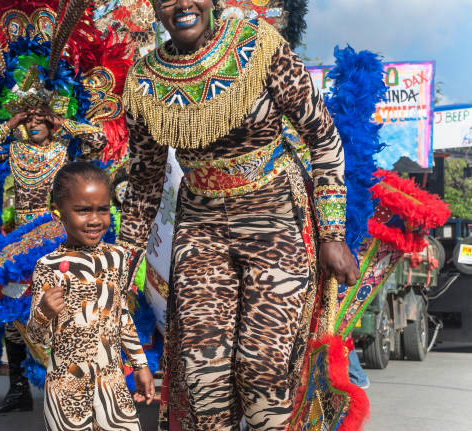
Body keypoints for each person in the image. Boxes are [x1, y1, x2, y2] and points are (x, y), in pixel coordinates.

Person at [118, 1, 361, 430]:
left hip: (275, 218)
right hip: (200, 226)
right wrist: (122, 265)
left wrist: (333, 234)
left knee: (263, 370)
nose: (180, 4)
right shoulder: (143, 80)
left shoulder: (261, 46)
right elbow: (143, 181)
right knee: (203, 376)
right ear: (155, 8)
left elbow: (323, 139)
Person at [0, 109, 105, 413]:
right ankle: (19, 391)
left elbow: (99, 140)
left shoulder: (67, 150)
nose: (34, 123)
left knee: (68, 313)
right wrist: (9, 124)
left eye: (41, 118)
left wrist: (63, 122)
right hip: (20, 248)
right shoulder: (14, 150)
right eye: (28, 119)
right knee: (13, 318)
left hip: (59, 242)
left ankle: (77, 388)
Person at [26, 162, 155, 430]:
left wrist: (140, 364)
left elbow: (121, 315)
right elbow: (37, 338)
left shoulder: (117, 258)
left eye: (103, 209)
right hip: (65, 389)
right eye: (83, 210)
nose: (95, 220)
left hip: (112, 383)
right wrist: (44, 312)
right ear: (58, 214)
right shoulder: (47, 266)